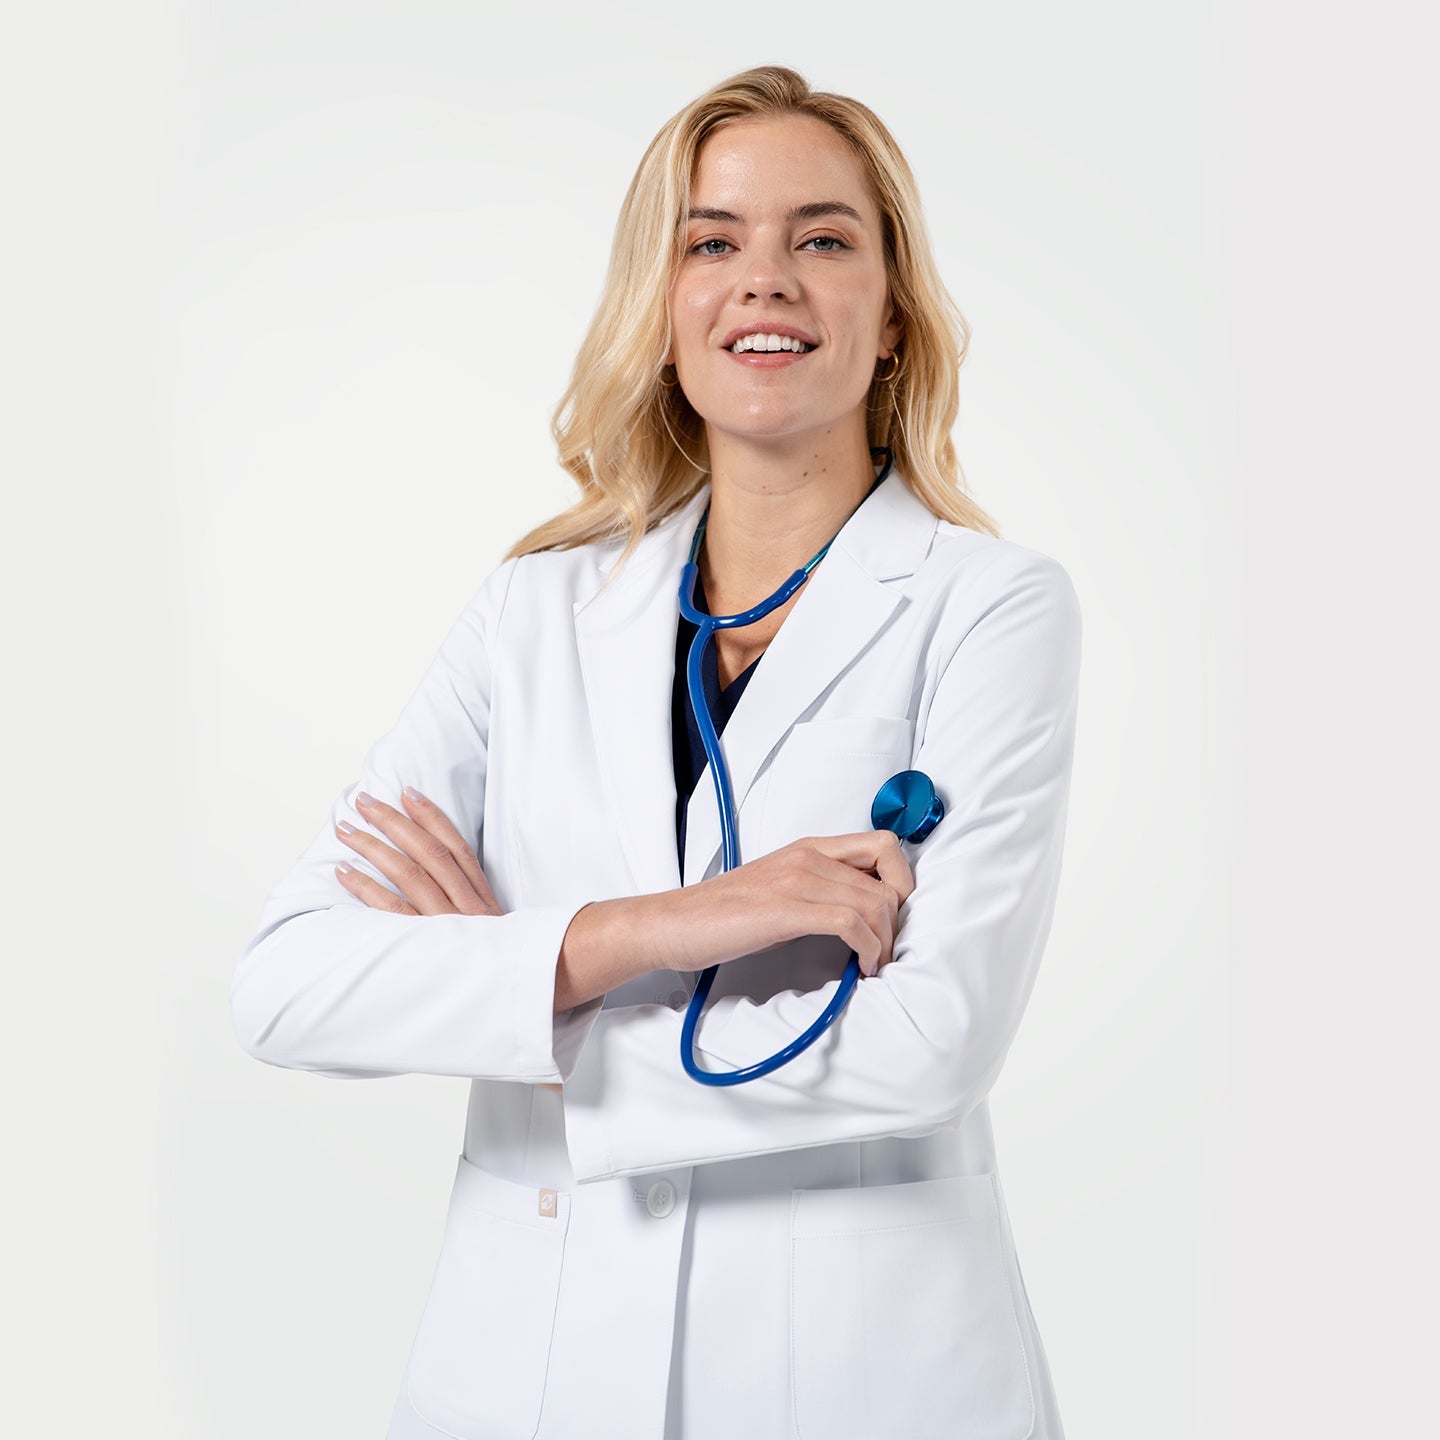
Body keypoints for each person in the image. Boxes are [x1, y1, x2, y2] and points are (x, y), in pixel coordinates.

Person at [232, 63, 1082, 1440]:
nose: (766, 280)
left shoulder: (989, 609)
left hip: (857, 1370)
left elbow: (931, 1044)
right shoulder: (537, 610)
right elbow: (285, 985)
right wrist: (660, 929)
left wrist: (525, 1003)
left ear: (894, 324)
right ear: (663, 312)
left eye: (823, 238)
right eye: (711, 242)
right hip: (527, 1362)